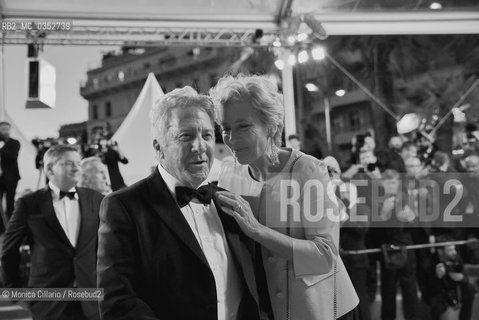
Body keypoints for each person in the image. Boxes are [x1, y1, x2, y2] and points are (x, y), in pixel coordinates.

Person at [97, 87, 262, 320]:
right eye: (186, 136)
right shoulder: (123, 207)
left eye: (206, 135)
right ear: (158, 149)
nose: (200, 147)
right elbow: (117, 303)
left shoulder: (229, 201)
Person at [210, 74, 358, 320]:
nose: (231, 138)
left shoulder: (308, 170)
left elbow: (325, 256)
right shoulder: (228, 175)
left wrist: (258, 231)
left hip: (320, 310)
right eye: (225, 128)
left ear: (271, 124)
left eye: (243, 126)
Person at [1, 144, 103, 320]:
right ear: (49, 169)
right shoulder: (29, 203)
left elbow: (106, 250)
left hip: (92, 300)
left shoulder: (95, 198)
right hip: (48, 303)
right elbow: (8, 252)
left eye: (78, 163)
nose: (77, 167)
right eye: (69, 163)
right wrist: (16, 293)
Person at [0, 121, 21, 232]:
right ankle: (1, 227)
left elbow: (11, 156)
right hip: (0, 177)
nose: (5, 131)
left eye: (6, 128)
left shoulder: (14, 143)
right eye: (2, 128)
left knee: (10, 202)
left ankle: (11, 226)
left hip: (11, 177)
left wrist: (2, 146)